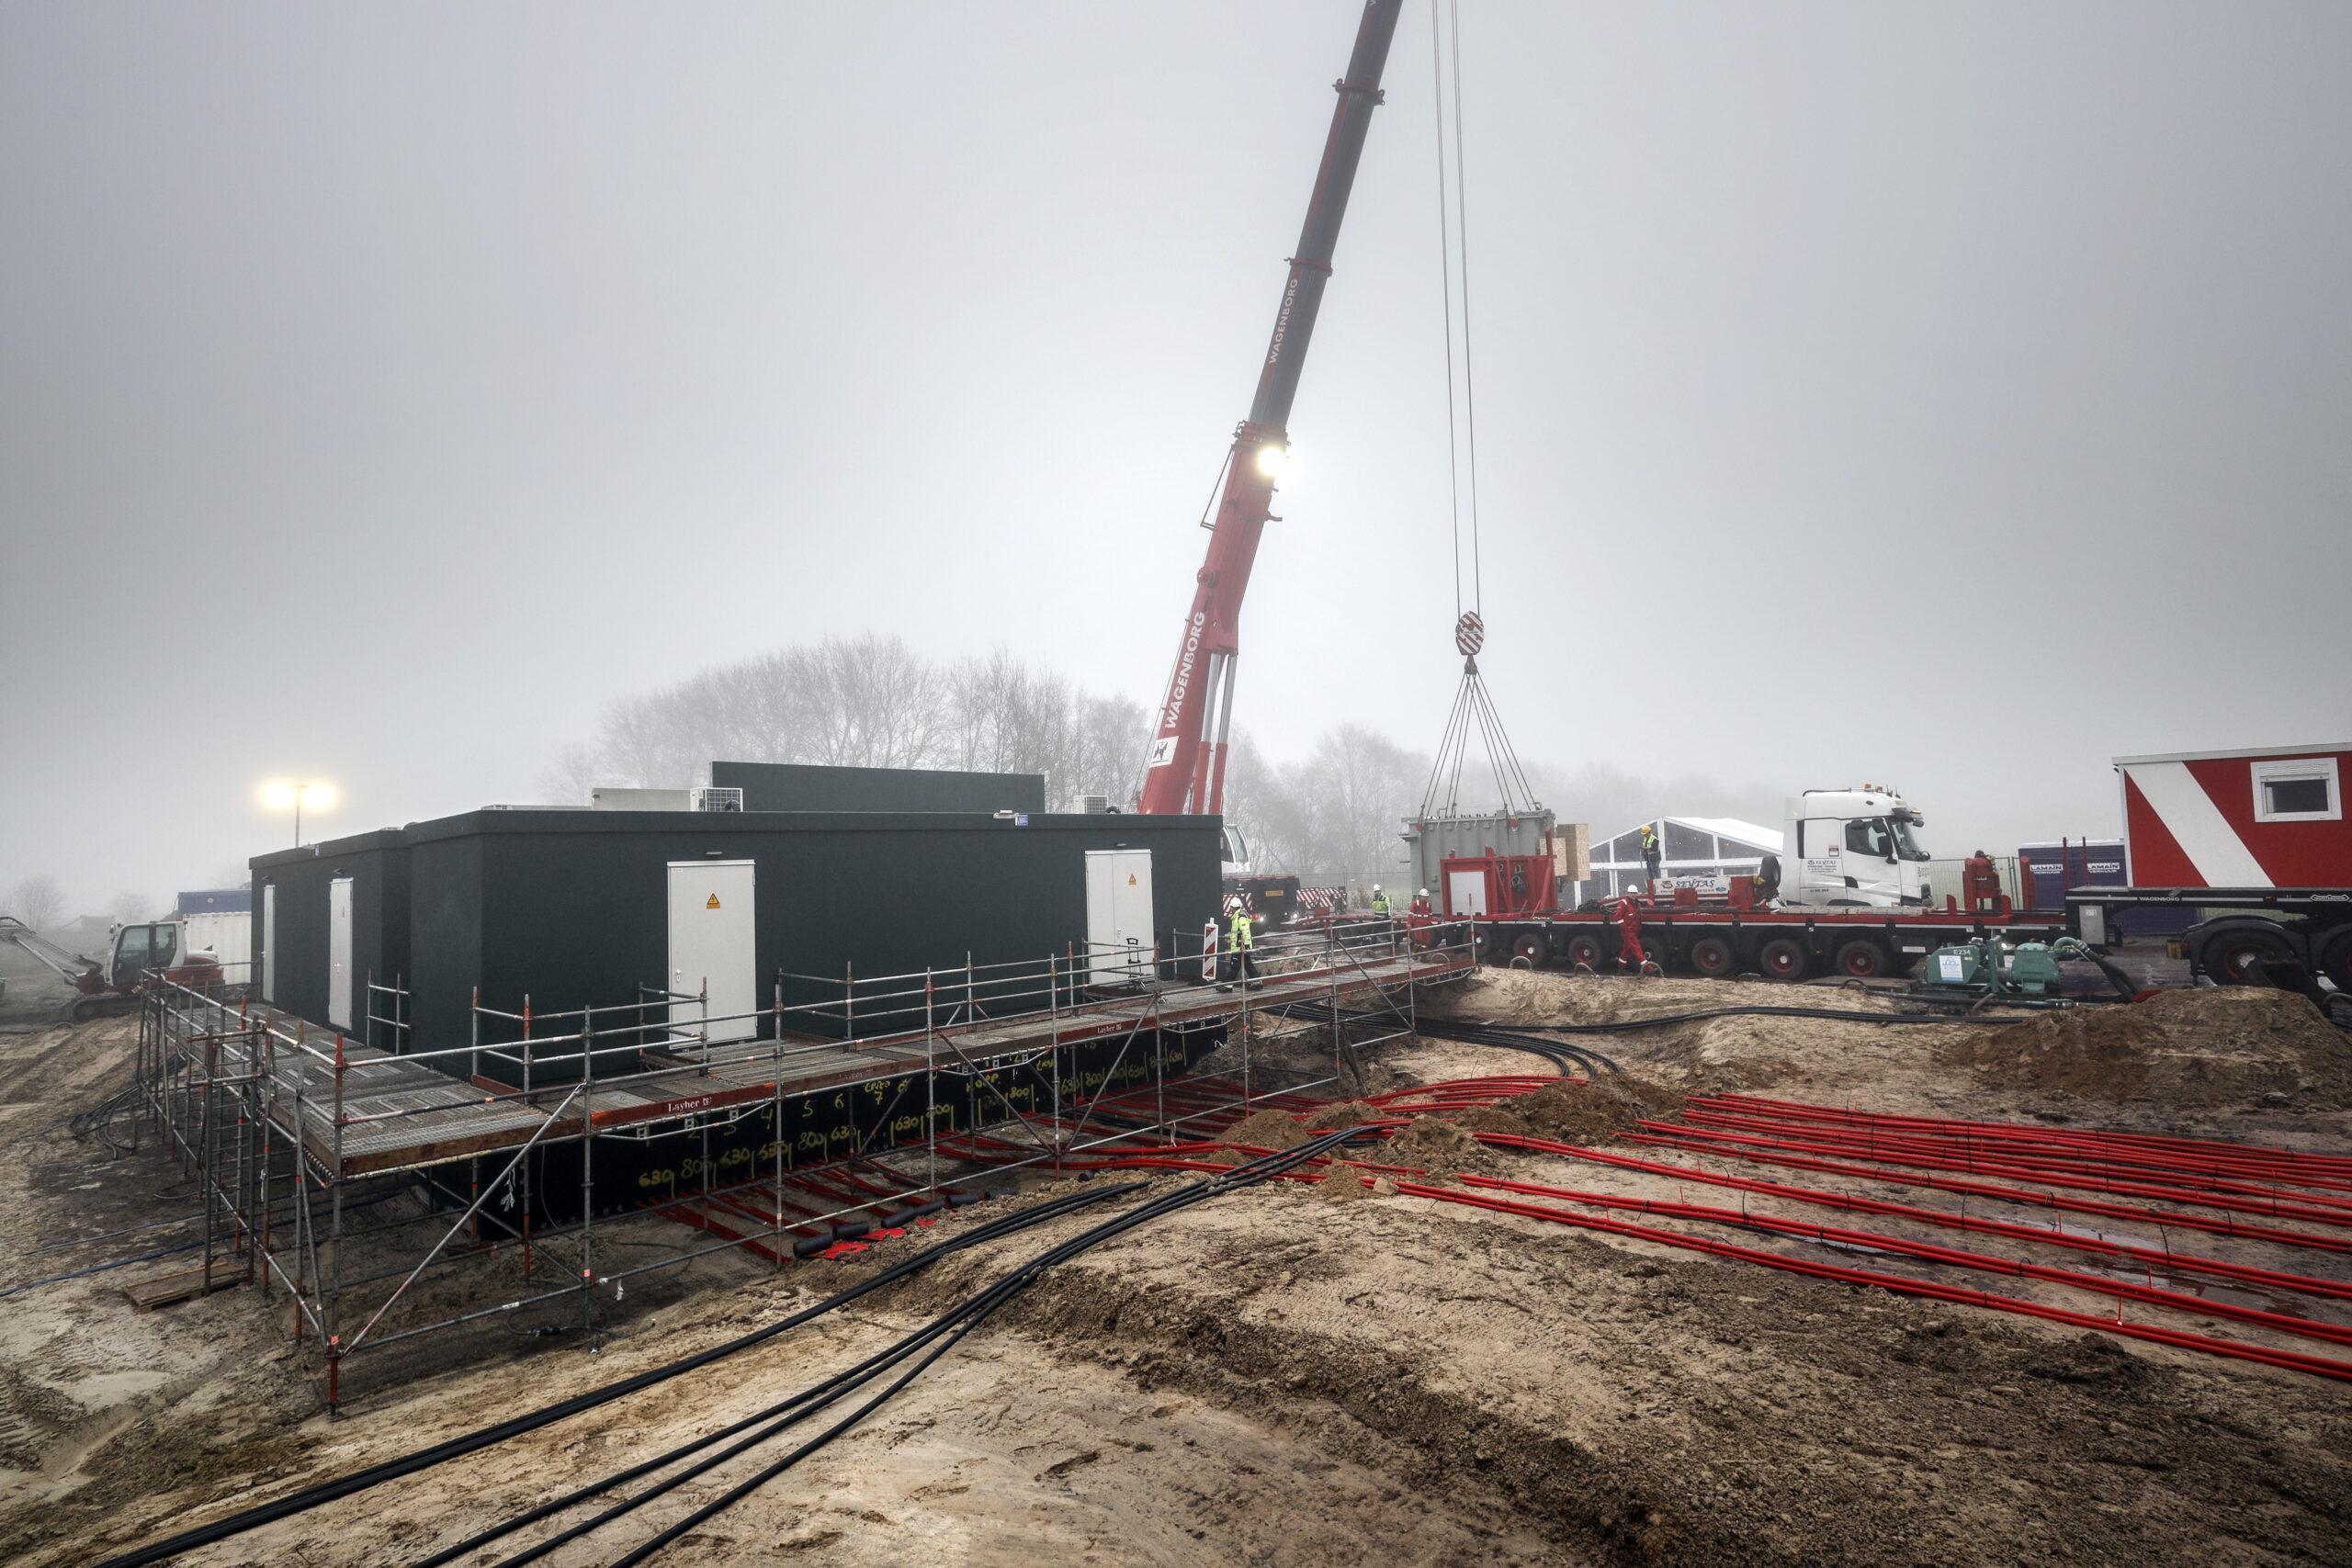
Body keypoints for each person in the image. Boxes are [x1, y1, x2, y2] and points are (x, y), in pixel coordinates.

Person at [1220, 903, 1261, 990]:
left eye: (1231, 907)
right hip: (1241, 947)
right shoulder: (1238, 916)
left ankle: (1227, 985)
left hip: (1240, 947)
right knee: (1248, 965)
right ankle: (1257, 982)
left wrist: (1246, 946)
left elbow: (1245, 932)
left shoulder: (1240, 917)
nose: (1230, 909)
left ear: (1232, 907)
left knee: (1234, 966)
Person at [1612, 890, 1649, 973]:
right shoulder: (1623, 903)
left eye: (1634, 893)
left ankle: (1621, 968)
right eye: (1631, 893)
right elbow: (1618, 916)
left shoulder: (1637, 904)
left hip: (1635, 930)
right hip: (1628, 931)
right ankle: (1648, 968)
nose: (1633, 895)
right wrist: (1624, 927)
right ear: (1628, 893)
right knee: (1636, 949)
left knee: (1627, 949)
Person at [1640, 822, 1662, 891]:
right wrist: (1643, 852)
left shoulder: (1654, 839)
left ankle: (1659, 886)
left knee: (1656, 872)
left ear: (1648, 833)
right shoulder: (1645, 839)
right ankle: (1652, 887)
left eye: (1644, 834)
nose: (1644, 835)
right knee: (1650, 874)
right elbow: (1646, 847)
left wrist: (1645, 848)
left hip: (1655, 859)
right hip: (1649, 859)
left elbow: (1655, 849)